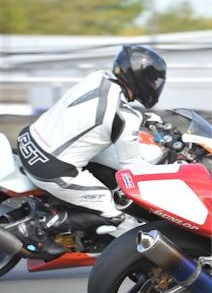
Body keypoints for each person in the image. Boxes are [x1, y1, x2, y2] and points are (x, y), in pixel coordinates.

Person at [17, 45, 166, 244]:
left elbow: (94, 112)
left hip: (28, 141)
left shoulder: (97, 78)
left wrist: (143, 118)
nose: (154, 85)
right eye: (152, 79)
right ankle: (46, 225)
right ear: (141, 78)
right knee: (117, 214)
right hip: (50, 168)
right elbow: (133, 168)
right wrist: (168, 175)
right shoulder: (126, 117)